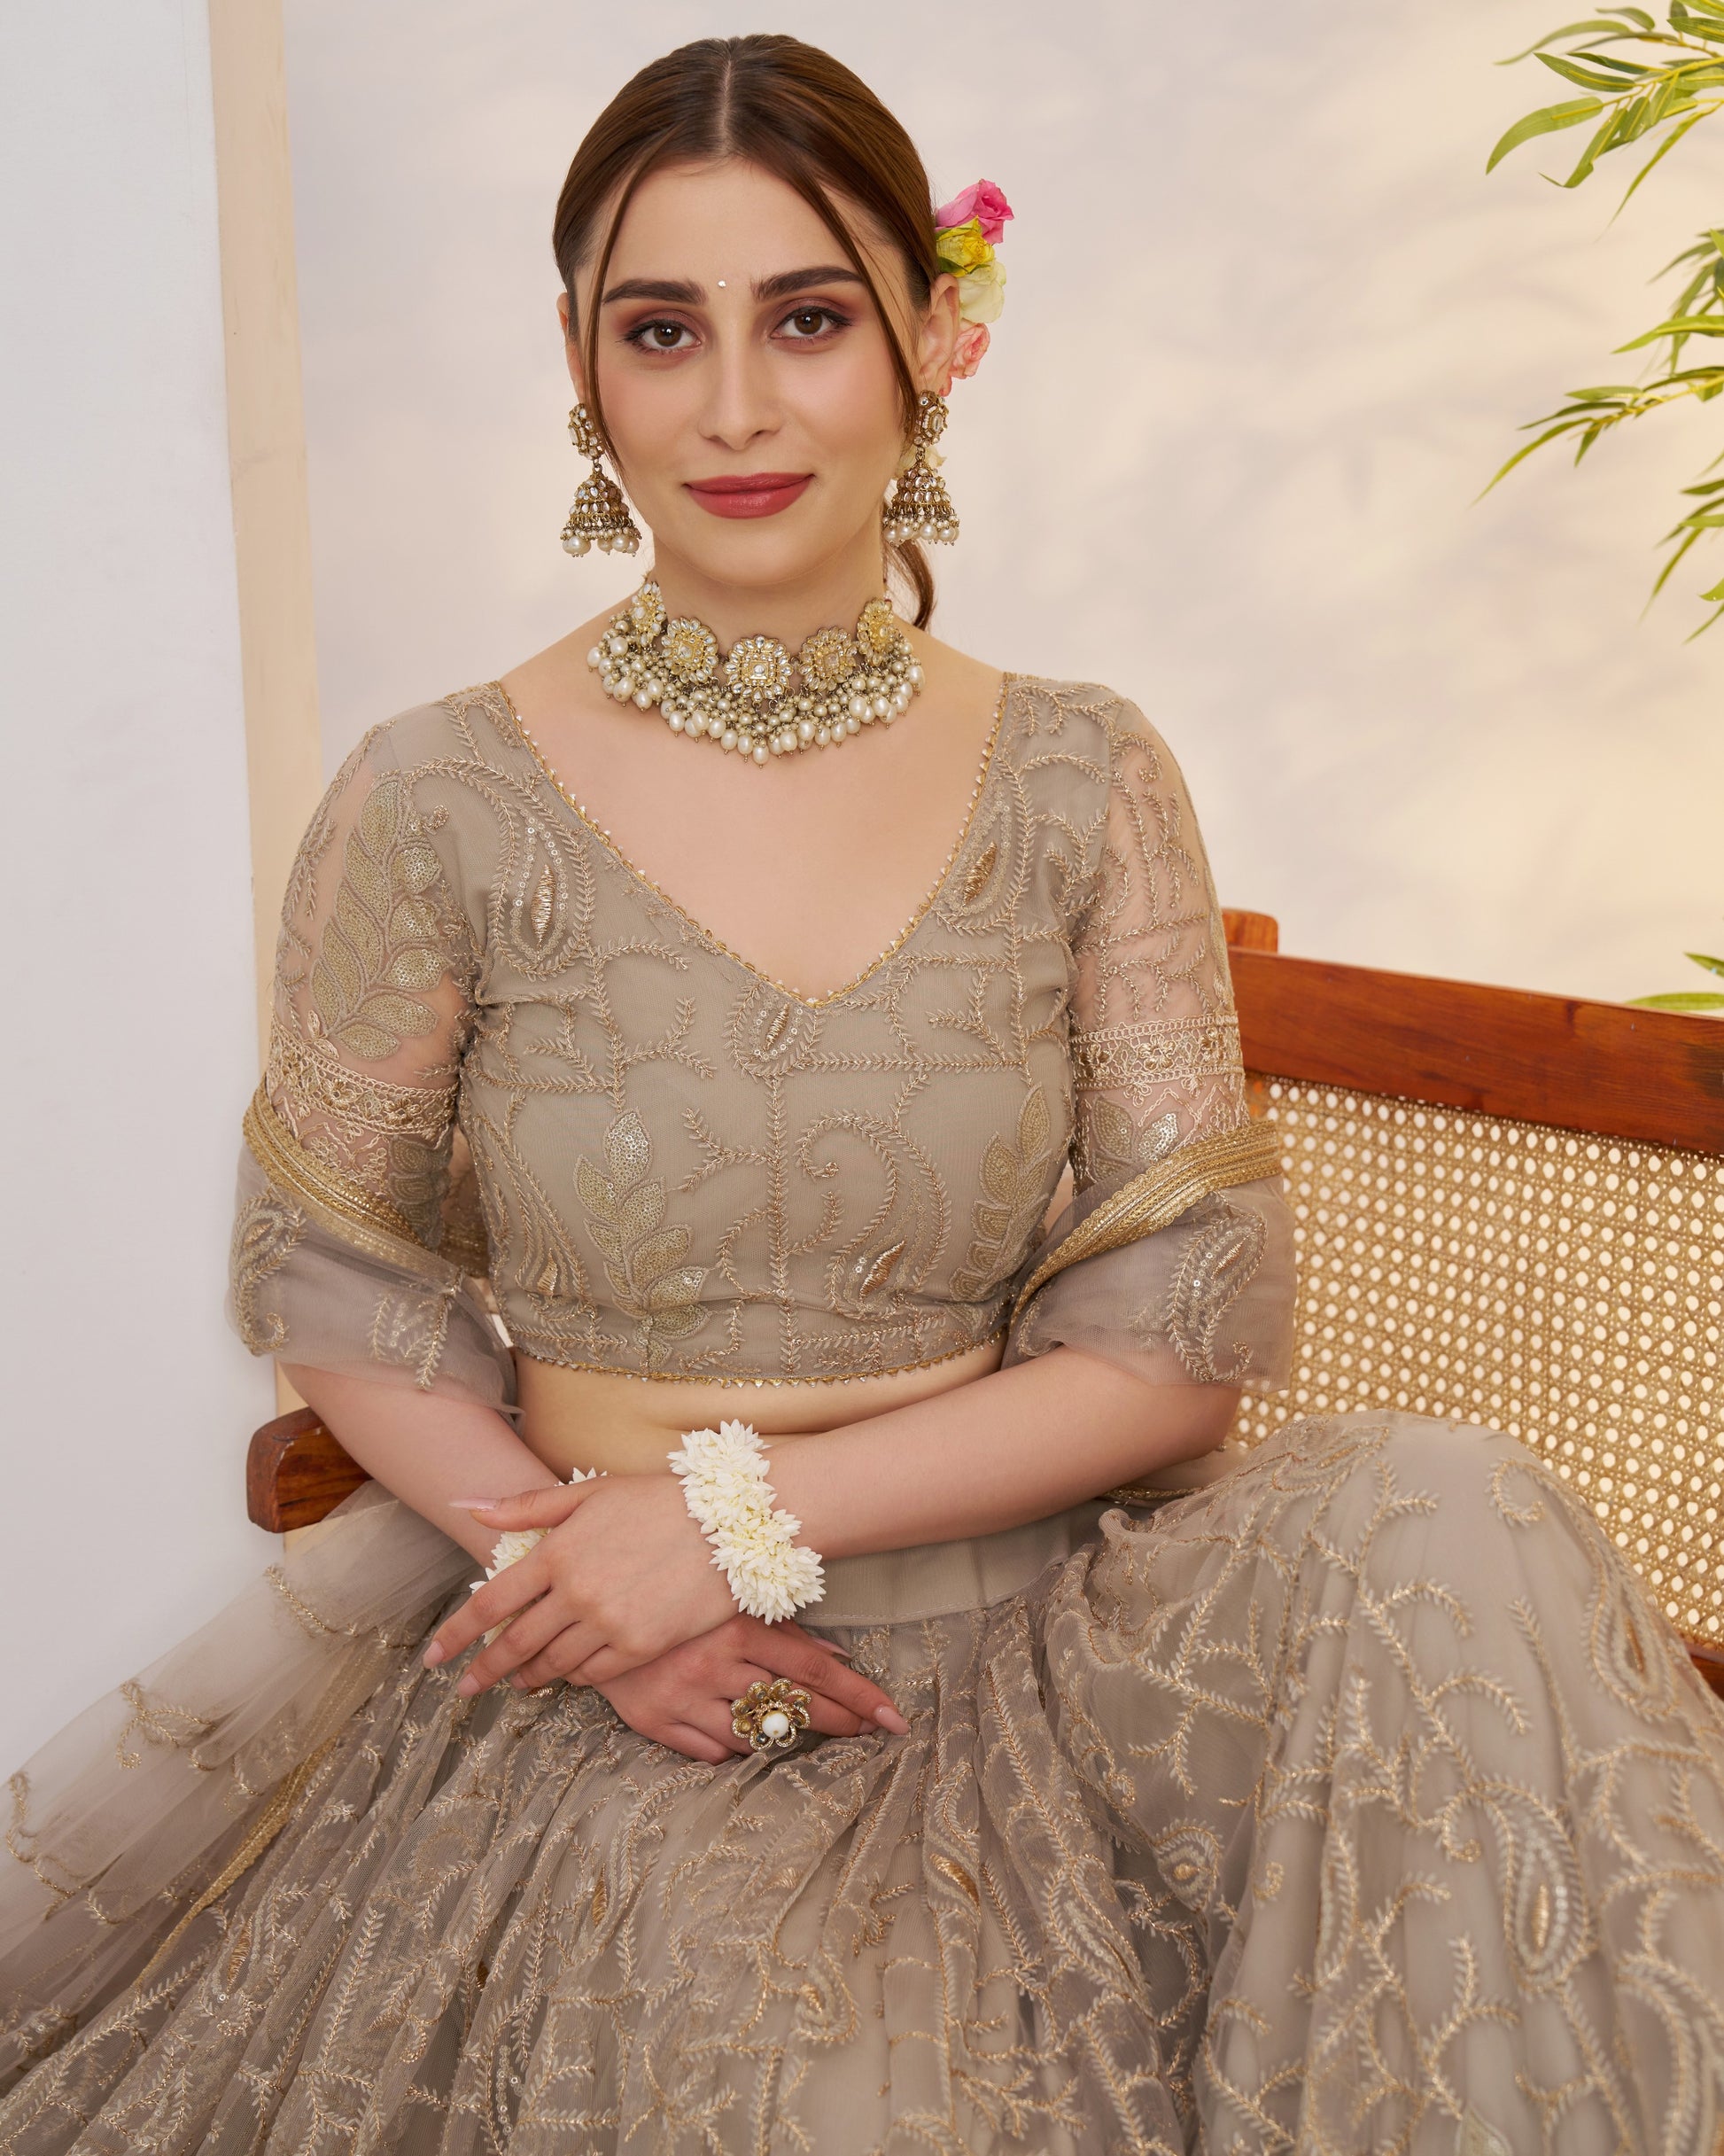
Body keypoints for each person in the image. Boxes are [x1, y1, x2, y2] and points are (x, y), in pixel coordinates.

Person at [3, 32, 1721, 2155]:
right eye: (663, 330)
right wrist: (589, 1592)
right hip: (619, 1665)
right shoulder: (437, 795)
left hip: (1046, 1630)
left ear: (930, 339)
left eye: (806, 319)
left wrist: (727, 1520)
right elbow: (334, 1282)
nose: (734, 405)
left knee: (1445, 1516)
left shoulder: (1084, 772)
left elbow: (1179, 1337)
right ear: (581, 366)